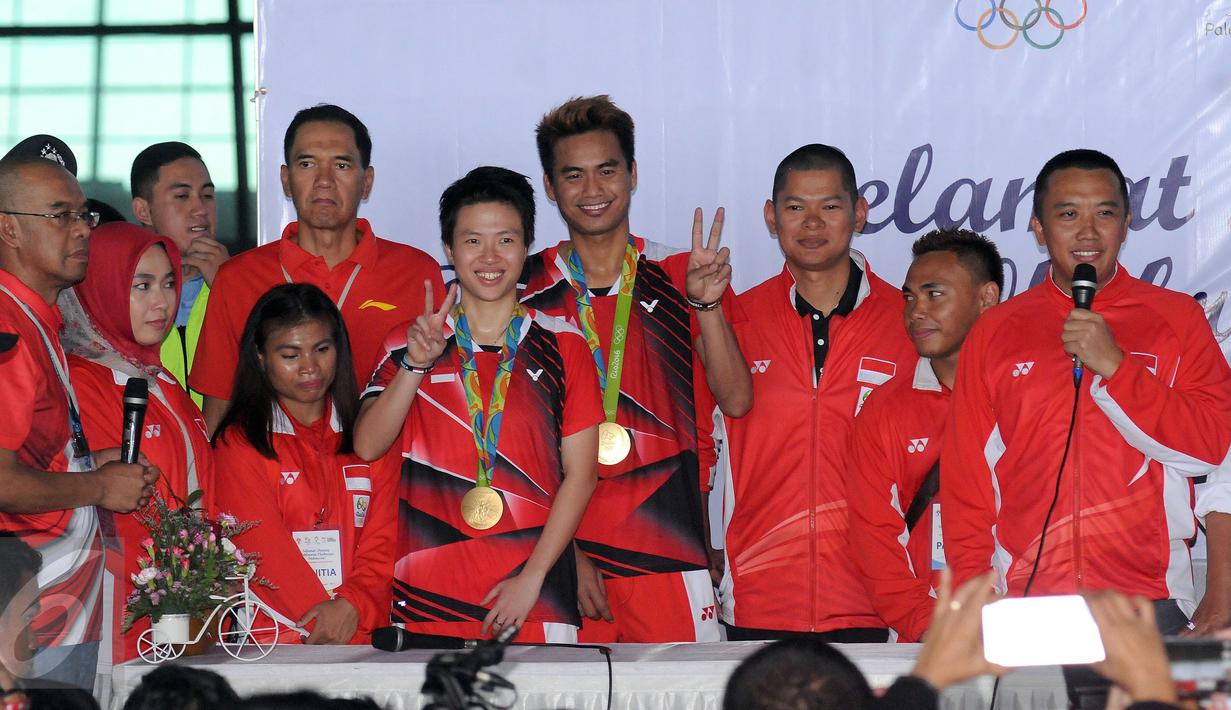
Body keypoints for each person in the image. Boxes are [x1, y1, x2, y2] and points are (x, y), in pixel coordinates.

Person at [941, 149, 1231, 634]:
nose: (1089, 232)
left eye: (1106, 213)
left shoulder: (1177, 318)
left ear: (1127, 223)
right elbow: (968, 484)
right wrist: (976, 598)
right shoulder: (996, 331)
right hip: (1028, 601)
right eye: (1068, 214)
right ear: (1038, 227)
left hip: (1147, 602)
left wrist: (1116, 368)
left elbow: (1209, 447)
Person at [519, 95, 750, 643]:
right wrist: (564, 552)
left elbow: (737, 400)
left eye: (607, 170)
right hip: (555, 554)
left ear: (633, 174)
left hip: (668, 549)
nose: (592, 190)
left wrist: (707, 306)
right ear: (550, 187)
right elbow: (512, 445)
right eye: (573, 175)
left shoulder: (683, 274)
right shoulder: (522, 290)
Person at [356, 166, 601, 642]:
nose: (490, 257)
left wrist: (532, 579)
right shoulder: (407, 343)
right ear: (449, 250)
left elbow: (582, 475)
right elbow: (367, 445)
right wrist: (414, 365)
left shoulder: (564, 344)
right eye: (472, 241)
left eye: (505, 240)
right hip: (429, 599)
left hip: (536, 599)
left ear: (527, 246)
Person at [708, 144, 915, 641]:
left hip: (877, 601)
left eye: (831, 206)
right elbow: (696, 445)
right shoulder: (734, 318)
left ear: (860, 213)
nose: (812, 223)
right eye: (796, 207)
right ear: (771, 216)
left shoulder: (911, 323)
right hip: (758, 598)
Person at [0, 154, 158, 690]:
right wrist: (99, 484)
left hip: (61, 605)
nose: (82, 230)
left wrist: (92, 463)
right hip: (28, 617)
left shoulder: (37, 318)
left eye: (85, 215)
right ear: (8, 228)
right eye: (60, 215)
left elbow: (30, 457)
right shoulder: (9, 332)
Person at [191, 104, 444, 434]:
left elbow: (438, 405)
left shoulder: (416, 273)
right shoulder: (238, 277)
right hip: (274, 479)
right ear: (286, 179)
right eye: (307, 163)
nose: (324, 181)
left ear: (366, 182)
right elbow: (219, 412)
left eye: (341, 164)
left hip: (385, 479)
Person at [56, 222, 215, 662]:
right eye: (140, 286)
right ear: (101, 286)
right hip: (120, 620)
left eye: (168, 283)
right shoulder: (78, 384)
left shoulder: (162, 384)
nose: (161, 302)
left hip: (187, 615)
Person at [211, 283, 396, 645]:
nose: (310, 367)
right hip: (276, 641)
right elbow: (263, 550)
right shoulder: (240, 443)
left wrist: (352, 604)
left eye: (321, 349)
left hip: (363, 636)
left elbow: (386, 538)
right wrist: (323, 622)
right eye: (290, 354)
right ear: (261, 358)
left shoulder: (372, 434)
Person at [845, 229, 1002, 641]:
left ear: (986, 298)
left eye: (935, 295)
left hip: (1033, 626)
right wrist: (926, 624)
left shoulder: (1032, 394)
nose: (916, 311)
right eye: (910, 297)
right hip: (928, 638)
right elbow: (874, 539)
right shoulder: (885, 409)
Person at [130, 142, 229, 407]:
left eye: (207, 196)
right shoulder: (119, 295)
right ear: (143, 210)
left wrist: (231, 288)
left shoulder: (245, 284)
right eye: (182, 196)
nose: (200, 209)